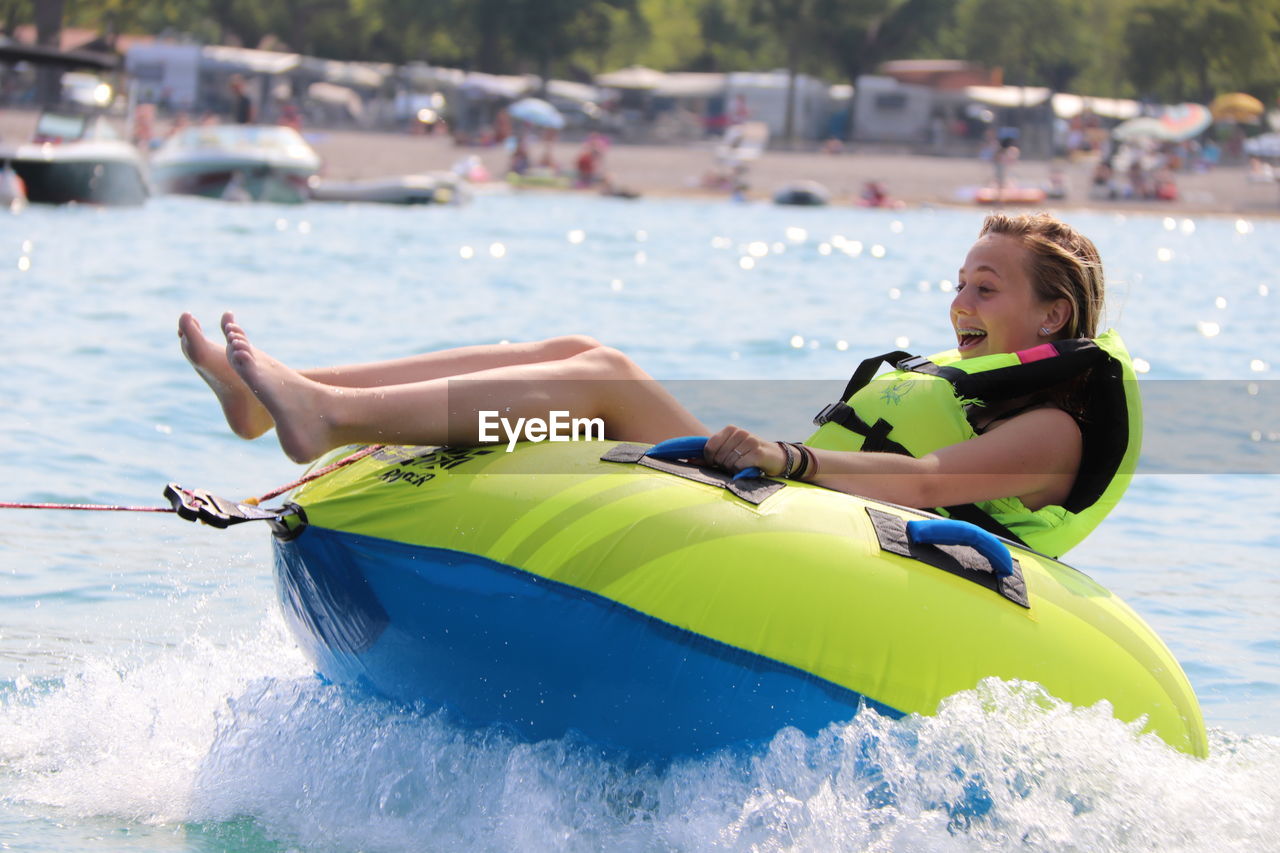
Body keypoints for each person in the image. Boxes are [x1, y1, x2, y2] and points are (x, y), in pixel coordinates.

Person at [179, 213, 1111, 548]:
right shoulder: (972, 379)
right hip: (800, 506)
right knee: (581, 345)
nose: (959, 303)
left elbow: (932, 484)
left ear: (1053, 316)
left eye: (985, 287)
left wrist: (789, 457)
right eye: (957, 283)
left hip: (835, 526)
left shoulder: (1059, 429)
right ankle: (283, 394)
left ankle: (326, 412)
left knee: (608, 376)